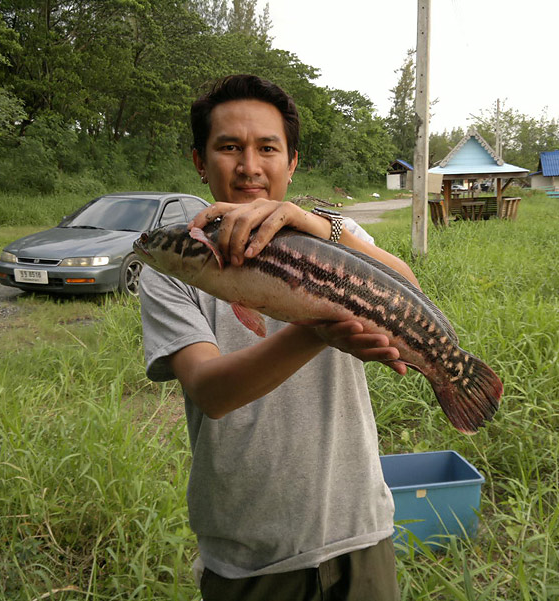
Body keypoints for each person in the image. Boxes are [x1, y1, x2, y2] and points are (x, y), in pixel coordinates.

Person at [139, 74, 419, 601]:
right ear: (200, 161)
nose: (249, 166)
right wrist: (318, 330)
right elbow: (211, 391)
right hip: (250, 559)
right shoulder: (173, 266)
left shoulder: (334, 237)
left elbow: (408, 294)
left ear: (291, 161)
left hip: (360, 532)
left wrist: (318, 227)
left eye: (268, 147)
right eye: (229, 147)